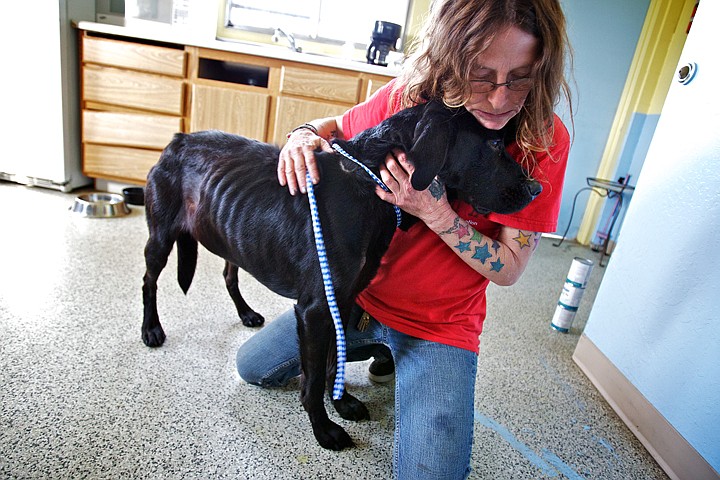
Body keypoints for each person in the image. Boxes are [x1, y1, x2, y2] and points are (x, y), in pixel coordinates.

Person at [236, 0, 572, 477]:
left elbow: (510, 268)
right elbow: (337, 129)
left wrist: (435, 213)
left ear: (543, 68)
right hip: (357, 299)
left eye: (521, 77)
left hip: (440, 326)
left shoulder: (544, 138)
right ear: (450, 61)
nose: (500, 99)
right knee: (252, 368)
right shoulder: (408, 98)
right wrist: (302, 133)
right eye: (481, 75)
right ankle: (374, 345)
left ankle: (397, 356)